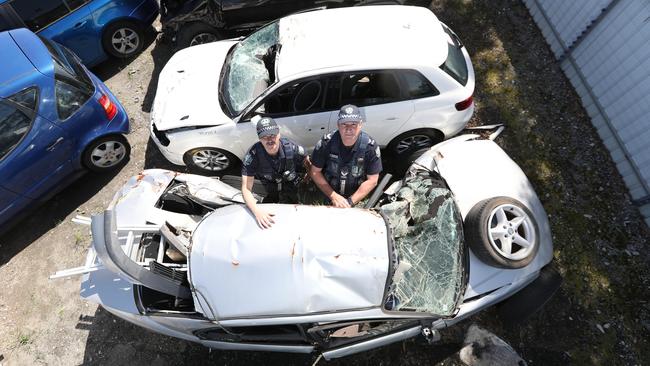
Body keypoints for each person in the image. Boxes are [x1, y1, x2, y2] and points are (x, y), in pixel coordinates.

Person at [241, 117, 309, 228]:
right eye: (264, 137)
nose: (269, 140)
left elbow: (307, 161)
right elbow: (246, 189)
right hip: (271, 187)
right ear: (259, 138)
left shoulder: (291, 148)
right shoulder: (253, 156)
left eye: (272, 135)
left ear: (279, 134)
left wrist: (307, 177)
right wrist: (257, 212)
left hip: (293, 186)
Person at [310, 104, 382, 208]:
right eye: (344, 124)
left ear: (360, 124)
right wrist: (333, 196)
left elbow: (373, 180)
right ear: (338, 125)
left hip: (356, 196)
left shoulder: (370, 147)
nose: (349, 129)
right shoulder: (326, 143)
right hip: (328, 194)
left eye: (353, 124)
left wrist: (350, 202)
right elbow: (315, 172)